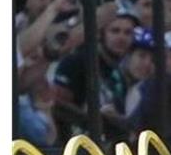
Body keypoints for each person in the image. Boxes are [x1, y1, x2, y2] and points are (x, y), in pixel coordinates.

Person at [52, 7, 142, 142]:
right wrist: (95, 116)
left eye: (128, 33)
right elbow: (57, 103)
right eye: (115, 31)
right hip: (73, 148)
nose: (121, 37)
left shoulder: (120, 73)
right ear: (101, 34)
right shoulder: (77, 62)